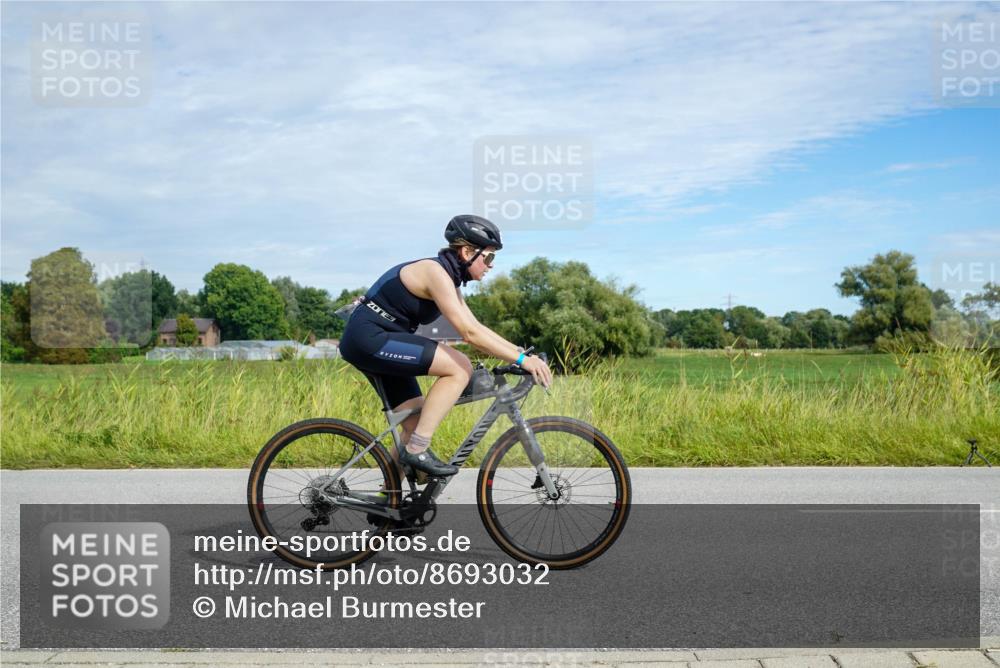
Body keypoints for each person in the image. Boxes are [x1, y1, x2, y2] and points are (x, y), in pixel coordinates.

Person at [338, 214, 553, 478]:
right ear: (467, 252)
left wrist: (520, 353)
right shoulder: (435, 273)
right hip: (369, 339)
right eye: (489, 257)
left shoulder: (447, 277)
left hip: (380, 339)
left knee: (413, 421)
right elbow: (469, 333)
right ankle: (418, 450)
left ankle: (388, 499)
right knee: (459, 367)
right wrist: (522, 361)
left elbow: (476, 326)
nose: (491, 266)